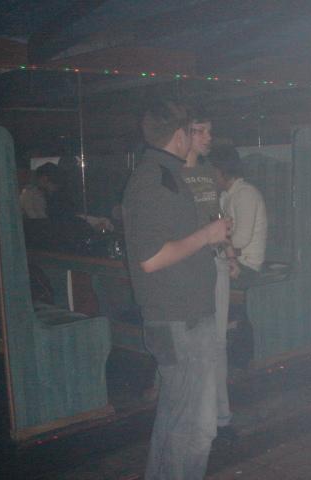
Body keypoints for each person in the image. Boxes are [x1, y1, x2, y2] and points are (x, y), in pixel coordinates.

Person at [122, 100, 231, 480]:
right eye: (191, 130)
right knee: (194, 430)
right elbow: (151, 258)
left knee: (176, 421)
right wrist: (207, 235)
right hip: (180, 320)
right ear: (180, 135)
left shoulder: (163, 174)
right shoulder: (156, 180)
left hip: (182, 317)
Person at [181, 109, 241, 447]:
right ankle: (197, 416)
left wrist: (229, 253)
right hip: (188, 269)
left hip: (214, 263)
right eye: (200, 131)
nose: (208, 138)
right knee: (193, 344)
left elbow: (215, 216)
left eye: (209, 131)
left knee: (217, 344)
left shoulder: (206, 173)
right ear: (183, 133)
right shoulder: (173, 173)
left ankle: (221, 418)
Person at [210, 145, 268, 282]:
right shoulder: (227, 195)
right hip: (234, 260)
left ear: (222, 171)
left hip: (246, 266)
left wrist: (214, 245)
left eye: (212, 171)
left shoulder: (245, 194)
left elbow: (241, 239)